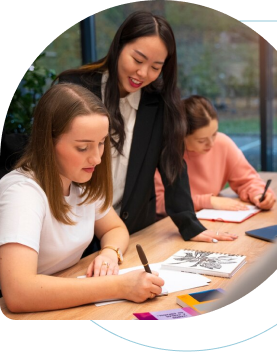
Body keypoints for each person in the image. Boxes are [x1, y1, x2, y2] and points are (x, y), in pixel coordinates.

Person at [54, 11, 236, 245]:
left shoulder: (159, 102)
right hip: (72, 231)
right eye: (138, 60)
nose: (143, 73)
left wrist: (190, 225)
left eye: (155, 66)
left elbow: (172, 163)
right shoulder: (75, 88)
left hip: (133, 231)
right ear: (119, 46)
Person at [0, 83, 164, 313]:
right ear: (48, 143)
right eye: (83, 148)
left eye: (101, 144)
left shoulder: (79, 182)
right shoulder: (22, 193)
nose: (97, 159)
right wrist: (117, 286)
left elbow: (115, 229)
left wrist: (109, 253)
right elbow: (19, 292)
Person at [154, 95, 276, 217]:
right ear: (181, 135)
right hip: (171, 226)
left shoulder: (222, 143)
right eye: (201, 140)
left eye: (214, 134)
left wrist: (259, 194)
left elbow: (247, 181)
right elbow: (159, 202)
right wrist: (208, 201)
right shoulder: (164, 154)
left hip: (212, 220)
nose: (211, 144)